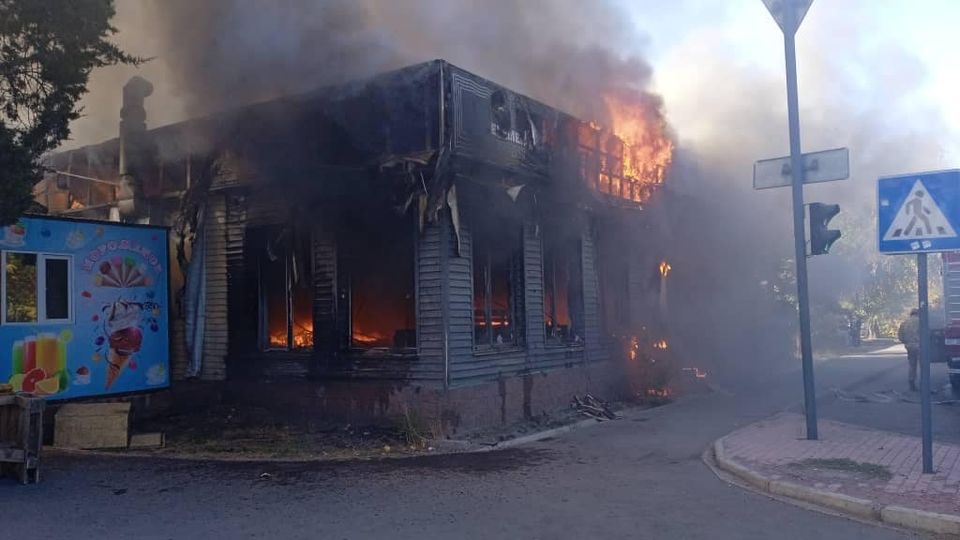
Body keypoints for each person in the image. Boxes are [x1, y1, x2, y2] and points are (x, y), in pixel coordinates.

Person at [898, 309, 921, 391]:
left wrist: (906, 342)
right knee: (923, 365)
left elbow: (900, 336)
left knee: (912, 364)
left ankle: (912, 382)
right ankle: (924, 383)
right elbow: (926, 332)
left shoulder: (904, 323)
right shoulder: (921, 322)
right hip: (920, 345)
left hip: (909, 346)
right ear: (917, 314)